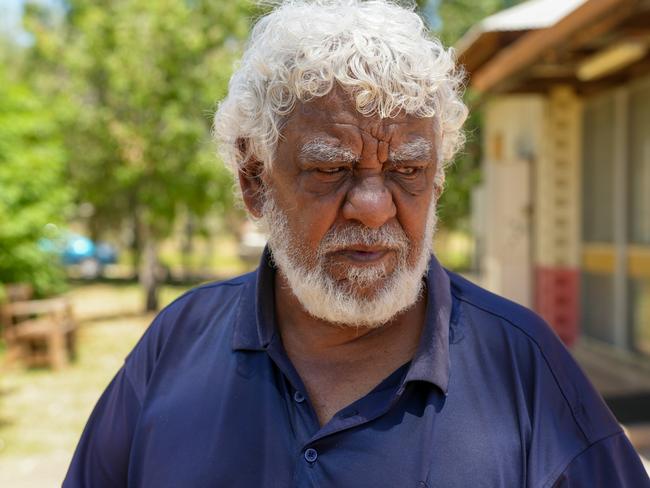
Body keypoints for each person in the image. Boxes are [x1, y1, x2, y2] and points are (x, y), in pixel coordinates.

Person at [64, 1, 650, 486]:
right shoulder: (177, 344)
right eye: (330, 170)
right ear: (254, 180)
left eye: (407, 169)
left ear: (438, 179)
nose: (373, 206)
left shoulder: (523, 365)